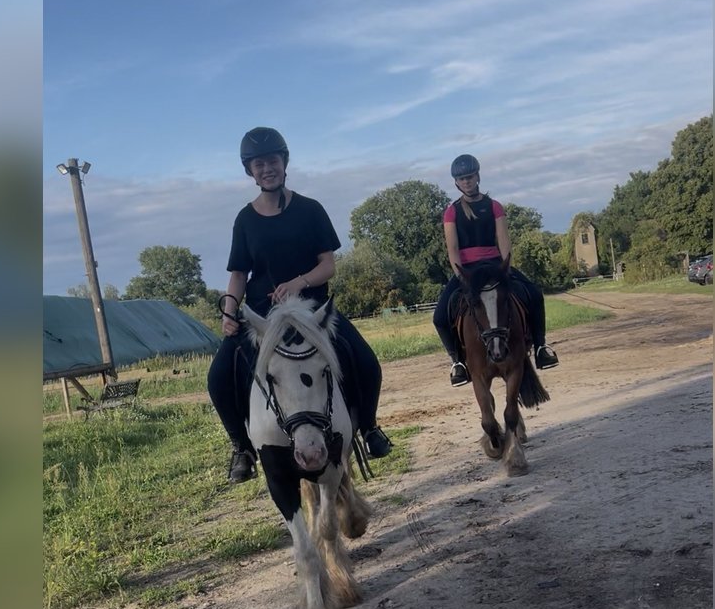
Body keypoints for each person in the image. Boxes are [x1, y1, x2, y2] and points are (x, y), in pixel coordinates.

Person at [207, 126, 391, 483]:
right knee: (218, 377)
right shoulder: (244, 219)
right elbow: (239, 274)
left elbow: (328, 265)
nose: (267, 169)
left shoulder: (310, 210)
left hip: (313, 313)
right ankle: (242, 448)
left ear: (284, 162)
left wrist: (299, 283)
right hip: (264, 319)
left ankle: (369, 428)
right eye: (259, 164)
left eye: (272, 161)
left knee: (366, 361)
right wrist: (229, 312)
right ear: (250, 171)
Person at [432, 153, 559, 386]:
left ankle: (541, 347)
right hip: (467, 271)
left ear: (477, 176)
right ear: (456, 182)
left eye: (470, 177)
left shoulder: (494, 207)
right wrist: (461, 276)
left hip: (494, 265)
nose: (466, 182)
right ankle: (457, 362)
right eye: (462, 179)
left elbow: (504, 242)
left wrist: (505, 269)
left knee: (534, 294)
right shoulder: (452, 212)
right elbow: (453, 248)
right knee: (439, 317)